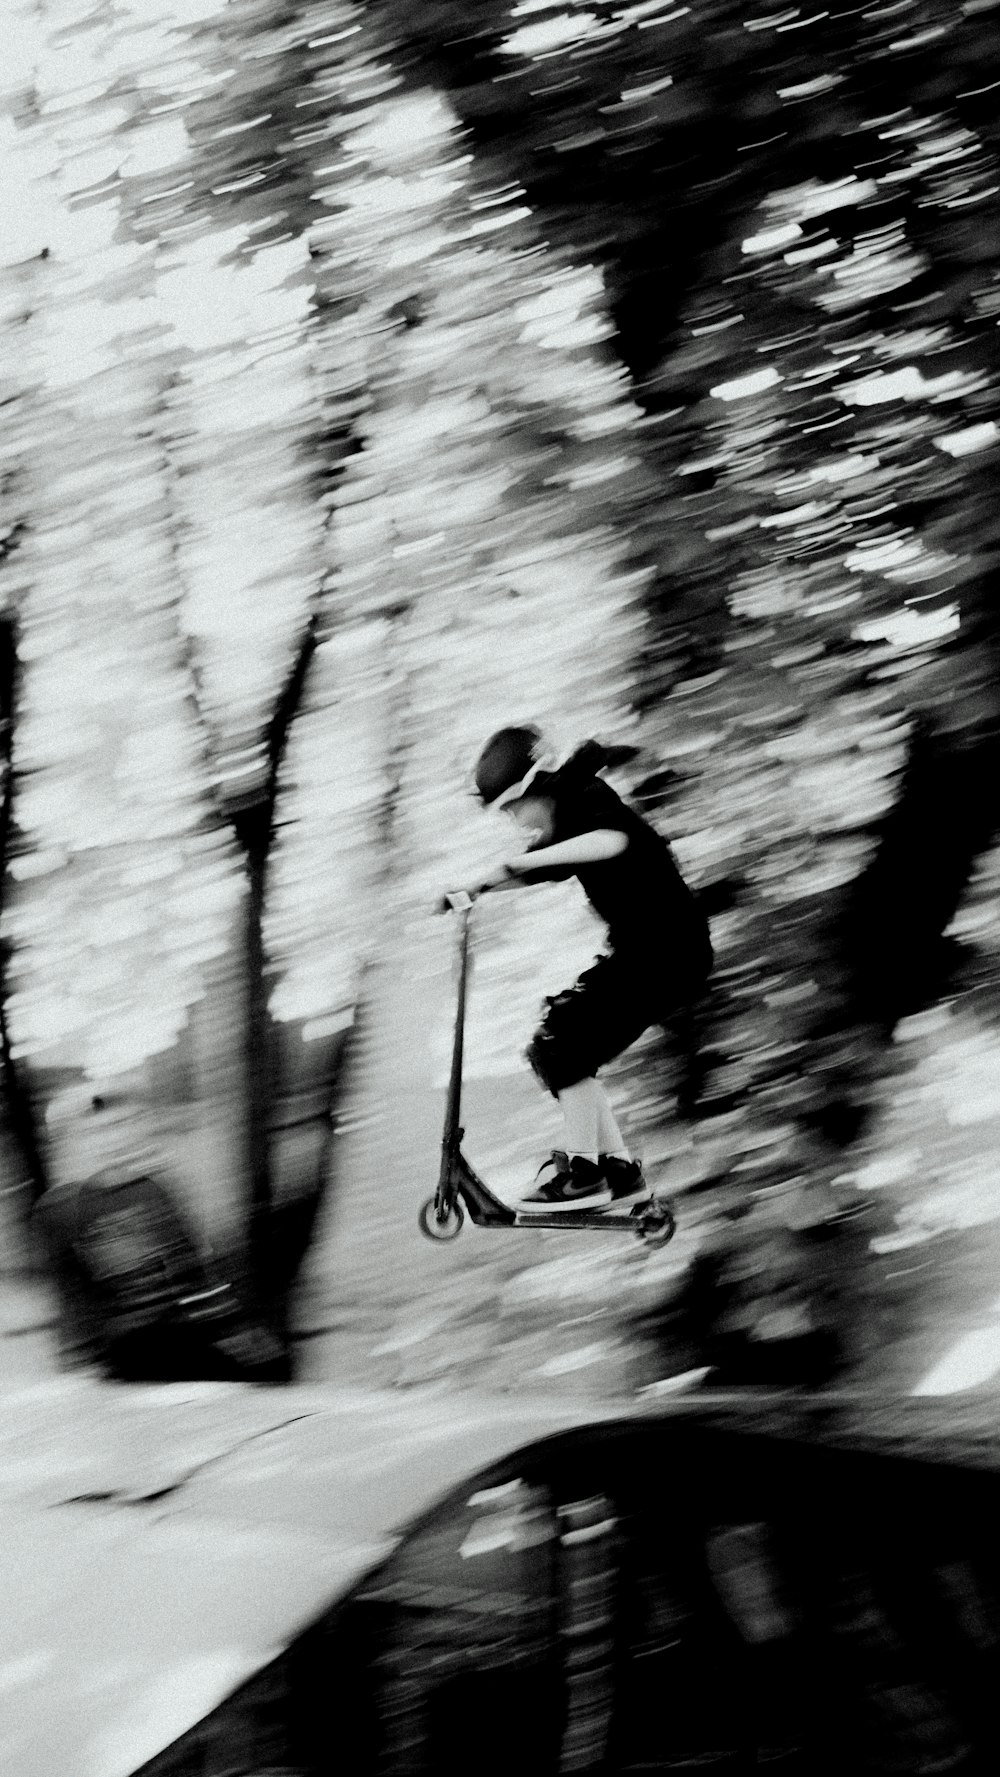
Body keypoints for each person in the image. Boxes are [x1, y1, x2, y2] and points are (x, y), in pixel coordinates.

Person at [461, 724, 713, 1212]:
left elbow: (613, 842)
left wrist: (516, 866)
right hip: (645, 954)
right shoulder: (565, 817)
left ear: (534, 788)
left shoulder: (587, 798)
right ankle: (618, 1172)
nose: (515, 821)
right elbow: (539, 865)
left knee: (562, 1042)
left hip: (667, 951)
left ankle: (584, 1176)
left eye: (513, 807)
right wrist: (477, 888)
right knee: (553, 1046)